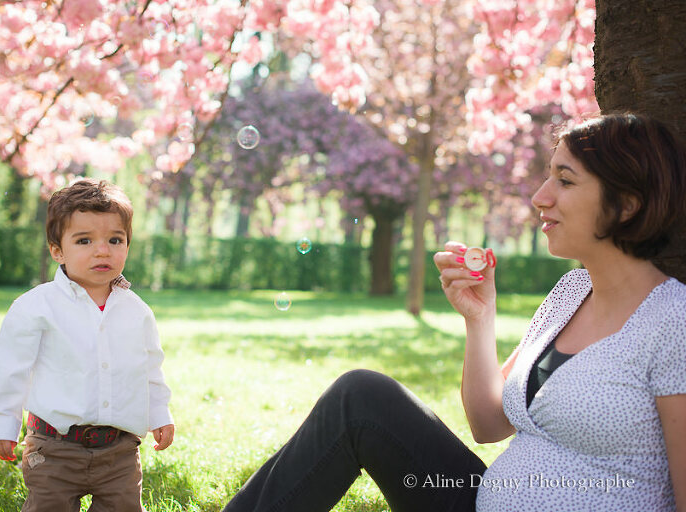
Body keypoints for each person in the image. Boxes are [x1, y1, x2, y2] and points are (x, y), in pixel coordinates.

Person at [220, 113, 686, 512]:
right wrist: (479, 318)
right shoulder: (571, 291)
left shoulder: (674, 322)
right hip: (480, 500)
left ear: (626, 204)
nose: (540, 196)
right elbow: (488, 424)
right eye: (548, 176)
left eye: (565, 181)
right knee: (360, 395)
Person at [0, 178, 176, 511]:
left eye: (115, 240)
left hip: (119, 450)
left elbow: (149, 368)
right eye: (84, 240)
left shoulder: (137, 311)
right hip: (53, 449)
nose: (102, 250)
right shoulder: (36, 306)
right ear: (58, 250)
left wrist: (159, 413)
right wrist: (3, 422)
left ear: (127, 246)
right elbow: (10, 369)